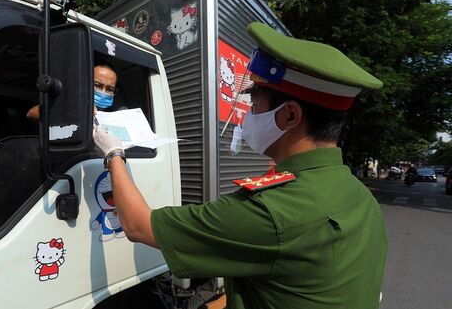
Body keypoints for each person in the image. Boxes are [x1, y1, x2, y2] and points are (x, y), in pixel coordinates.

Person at [93, 22, 388, 309]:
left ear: (289, 116)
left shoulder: (272, 211)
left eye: (255, 106)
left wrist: (114, 153)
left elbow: (138, 225)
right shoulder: (361, 196)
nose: (247, 117)